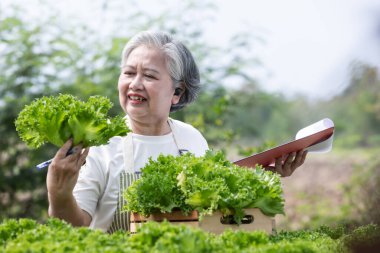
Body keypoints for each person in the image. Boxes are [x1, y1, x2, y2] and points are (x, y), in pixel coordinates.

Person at [47, 31, 307, 232]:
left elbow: (215, 210)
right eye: (128, 73)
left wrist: (262, 176)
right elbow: (75, 226)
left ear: (177, 92)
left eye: (149, 76)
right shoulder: (101, 144)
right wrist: (59, 195)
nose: (135, 84)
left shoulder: (191, 138)